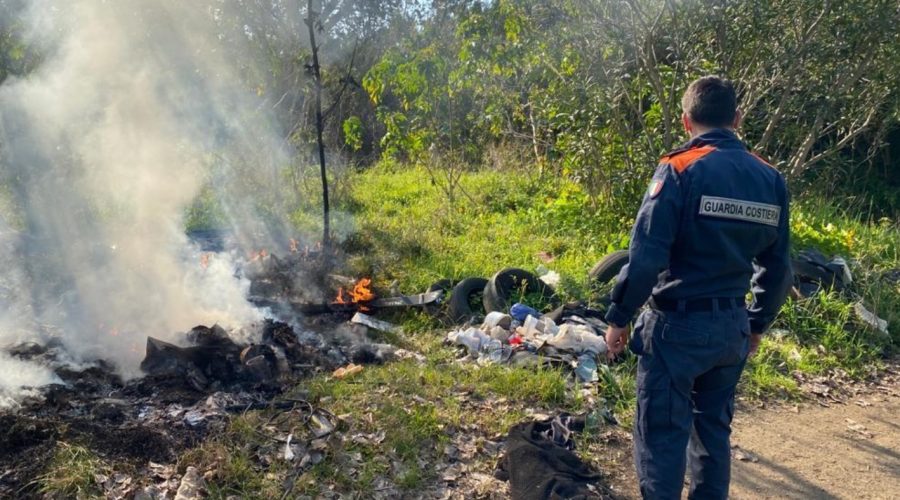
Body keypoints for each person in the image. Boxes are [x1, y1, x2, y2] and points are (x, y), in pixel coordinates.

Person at [603, 76, 792, 499]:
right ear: (738, 118)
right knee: (712, 436)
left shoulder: (679, 168)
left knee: (662, 436)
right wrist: (756, 324)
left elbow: (647, 258)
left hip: (676, 329)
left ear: (686, 122)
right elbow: (779, 268)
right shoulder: (770, 178)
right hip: (731, 329)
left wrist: (618, 317)